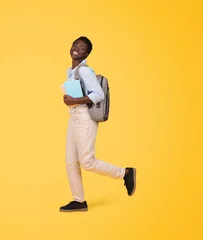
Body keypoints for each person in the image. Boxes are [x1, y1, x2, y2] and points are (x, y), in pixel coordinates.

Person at [59, 36, 136, 212]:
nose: (77, 48)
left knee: (86, 161)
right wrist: (69, 100)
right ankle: (79, 201)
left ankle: (125, 173)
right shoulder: (70, 71)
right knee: (70, 162)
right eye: (75, 45)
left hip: (85, 117)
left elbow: (99, 94)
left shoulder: (85, 71)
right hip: (74, 117)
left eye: (82, 47)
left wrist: (75, 100)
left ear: (86, 53)